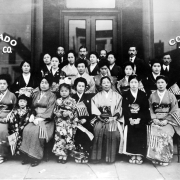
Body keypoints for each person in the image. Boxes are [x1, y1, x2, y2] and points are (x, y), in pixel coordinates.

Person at [19, 76, 56, 167]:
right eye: (42, 82)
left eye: (46, 83)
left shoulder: (52, 95)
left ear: (49, 85)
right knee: (26, 129)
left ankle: (36, 156)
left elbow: (50, 110)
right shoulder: (36, 94)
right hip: (35, 117)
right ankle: (27, 155)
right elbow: (32, 107)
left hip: (46, 120)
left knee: (37, 132)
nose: (43, 85)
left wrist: (40, 118)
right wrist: (32, 115)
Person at [147, 75, 180, 166]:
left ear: (166, 84)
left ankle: (165, 158)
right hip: (156, 120)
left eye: (162, 82)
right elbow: (150, 109)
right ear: (156, 84)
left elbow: (174, 110)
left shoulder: (171, 95)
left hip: (168, 121)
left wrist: (166, 120)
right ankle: (155, 157)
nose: (160, 84)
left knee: (165, 133)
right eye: (158, 82)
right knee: (154, 130)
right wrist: (154, 119)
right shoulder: (152, 96)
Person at [91, 76, 124, 163]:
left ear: (111, 83)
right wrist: (100, 116)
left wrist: (114, 117)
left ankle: (110, 158)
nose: (106, 84)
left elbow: (119, 108)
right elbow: (94, 108)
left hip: (112, 119)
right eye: (104, 83)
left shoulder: (117, 96)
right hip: (100, 119)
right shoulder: (97, 96)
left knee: (113, 132)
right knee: (97, 130)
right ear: (101, 85)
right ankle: (97, 157)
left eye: (107, 82)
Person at [122, 75, 151, 164]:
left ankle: (139, 154)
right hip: (129, 117)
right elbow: (125, 108)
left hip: (140, 117)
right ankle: (131, 154)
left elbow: (145, 108)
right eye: (132, 82)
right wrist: (130, 118)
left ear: (139, 83)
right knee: (130, 129)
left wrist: (139, 118)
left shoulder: (143, 94)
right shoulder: (125, 94)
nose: (134, 85)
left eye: (135, 82)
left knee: (140, 128)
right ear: (128, 83)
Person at [52, 83, 79, 164]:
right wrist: (57, 114)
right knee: (60, 139)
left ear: (69, 91)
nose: (64, 92)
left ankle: (65, 155)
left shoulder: (73, 101)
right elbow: (55, 110)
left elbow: (75, 112)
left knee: (67, 138)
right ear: (59, 91)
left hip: (68, 123)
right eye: (62, 91)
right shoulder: (58, 101)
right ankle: (60, 154)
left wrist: (68, 113)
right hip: (60, 123)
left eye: (66, 91)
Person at [72, 77, 95, 163]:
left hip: (86, 120)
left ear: (85, 87)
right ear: (75, 87)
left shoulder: (89, 98)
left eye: (83, 86)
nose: (81, 87)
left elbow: (92, 111)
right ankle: (78, 154)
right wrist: (75, 119)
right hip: (74, 121)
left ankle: (85, 154)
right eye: (79, 85)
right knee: (77, 131)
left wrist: (86, 119)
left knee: (87, 130)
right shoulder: (72, 98)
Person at [0, 74, 17, 163]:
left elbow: (15, 108)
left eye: (4, 83)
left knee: (2, 131)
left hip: (6, 118)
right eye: (0, 83)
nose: (2, 85)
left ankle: (2, 155)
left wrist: (9, 116)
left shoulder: (12, 95)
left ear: (7, 85)